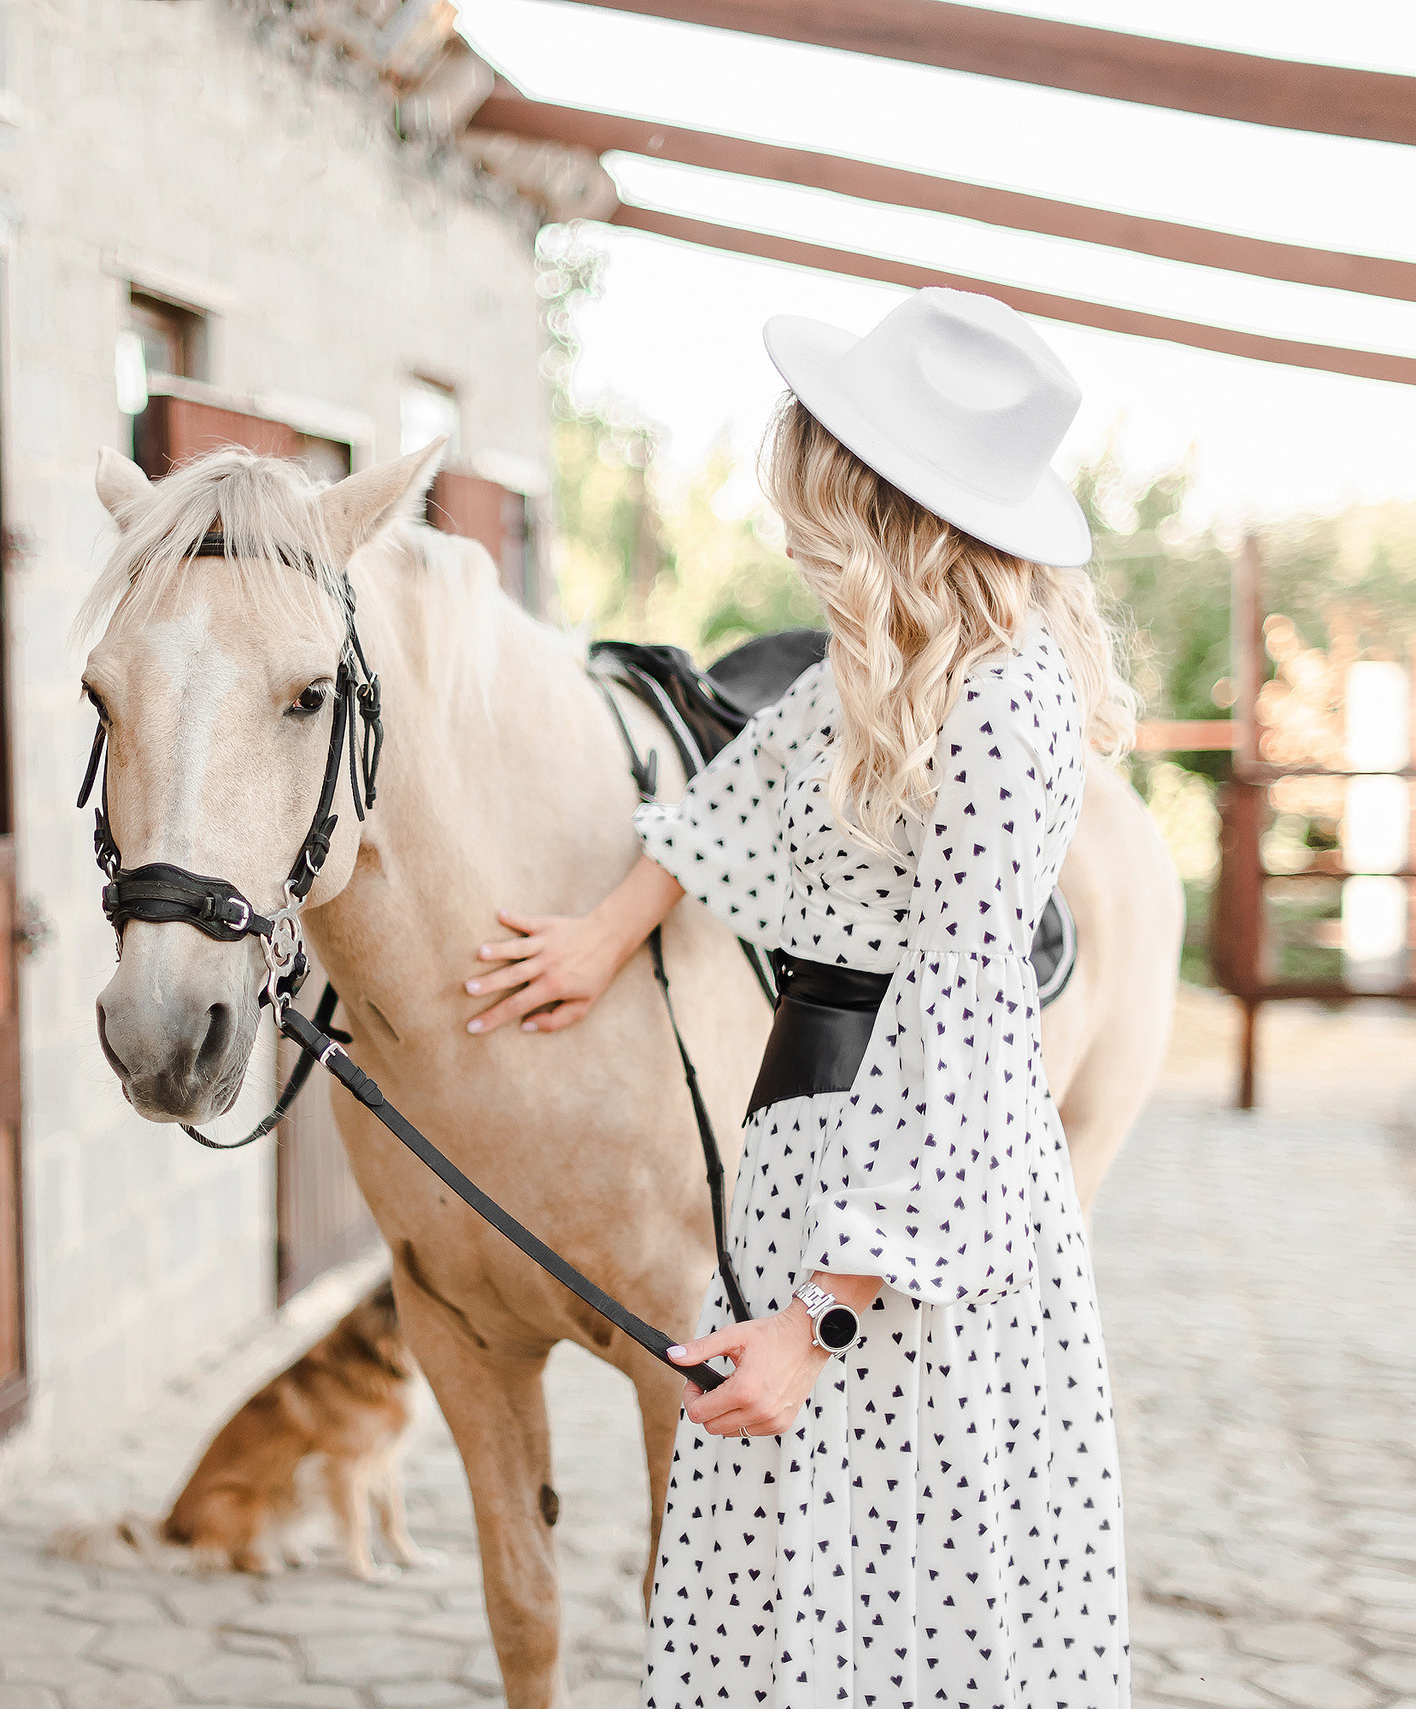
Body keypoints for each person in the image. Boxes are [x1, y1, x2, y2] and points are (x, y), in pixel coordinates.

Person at [460, 289, 1135, 1705]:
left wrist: (817, 1321)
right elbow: (738, 784)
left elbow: (957, 1029)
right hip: (807, 1163)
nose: (783, 515)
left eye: (810, 478)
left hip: (906, 1210)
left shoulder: (1007, 701)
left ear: (874, 495)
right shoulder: (868, 669)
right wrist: (598, 936)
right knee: (781, 1596)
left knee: (903, 1605)